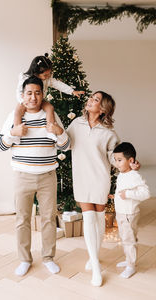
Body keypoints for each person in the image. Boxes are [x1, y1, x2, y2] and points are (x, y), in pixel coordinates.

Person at [0, 76, 70, 276]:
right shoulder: (13, 115)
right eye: (29, 93)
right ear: (22, 95)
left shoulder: (50, 116)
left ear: (42, 94)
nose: (33, 97)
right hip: (22, 176)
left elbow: (66, 146)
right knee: (22, 219)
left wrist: (59, 131)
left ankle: (48, 258)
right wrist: (13, 132)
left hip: (47, 176)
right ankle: (25, 260)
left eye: (37, 93)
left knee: (48, 219)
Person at [61, 91, 120, 287]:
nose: (90, 100)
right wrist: (55, 131)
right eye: (91, 98)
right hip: (82, 177)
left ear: (103, 108)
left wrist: (127, 162)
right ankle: (95, 265)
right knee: (88, 217)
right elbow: (66, 144)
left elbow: (113, 159)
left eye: (95, 99)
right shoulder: (76, 123)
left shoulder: (109, 133)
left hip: (101, 178)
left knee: (98, 217)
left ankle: (95, 256)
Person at [14, 54, 85, 138]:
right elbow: (18, 91)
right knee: (18, 111)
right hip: (25, 101)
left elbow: (59, 84)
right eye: (45, 75)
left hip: (40, 101)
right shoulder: (25, 78)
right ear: (36, 73)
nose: (47, 77)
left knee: (50, 108)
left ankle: (50, 132)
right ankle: (17, 132)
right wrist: (23, 102)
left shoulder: (47, 80)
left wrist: (72, 91)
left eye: (49, 74)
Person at [113, 142, 150, 279]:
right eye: (115, 160)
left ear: (131, 160)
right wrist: (115, 196)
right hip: (122, 212)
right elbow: (122, 190)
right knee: (126, 238)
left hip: (129, 213)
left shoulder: (134, 175)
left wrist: (128, 194)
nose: (117, 163)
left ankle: (131, 266)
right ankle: (129, 260)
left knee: (129, 240)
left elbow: (145, 193)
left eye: (119, 160)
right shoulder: (122, 174)